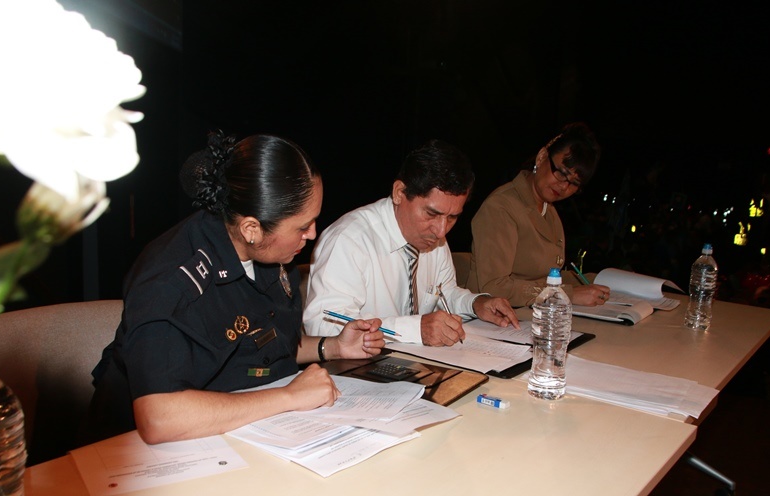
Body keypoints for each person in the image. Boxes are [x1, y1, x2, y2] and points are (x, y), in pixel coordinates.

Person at [82, 132, 385, 446]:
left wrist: (333, 347)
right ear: (252, 228)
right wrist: (288, 397)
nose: (311, 234)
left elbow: (263, 344)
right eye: (302, 226)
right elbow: (159, 418)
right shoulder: (172, 281)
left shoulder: (269, 252)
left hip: (240, 426)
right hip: (141, 448)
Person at [303, 139, 519, 347]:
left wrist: (475, 304)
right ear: (399, 193)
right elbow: (323, 327)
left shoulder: (434, 237)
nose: (441, 230)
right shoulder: (349, 239)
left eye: (452, 217)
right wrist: (415, 329)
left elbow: (444, 294)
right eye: (431, 214)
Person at [466, 122, 610, 307]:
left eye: (574, 183)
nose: (564, 186)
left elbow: (547, 277)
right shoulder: (501, 207)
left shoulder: (549, 211)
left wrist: (596, 280)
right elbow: (495, 287)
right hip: (493, 316)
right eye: (561, 173)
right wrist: (565, 294)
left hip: (529, 314)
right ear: (542, 157)